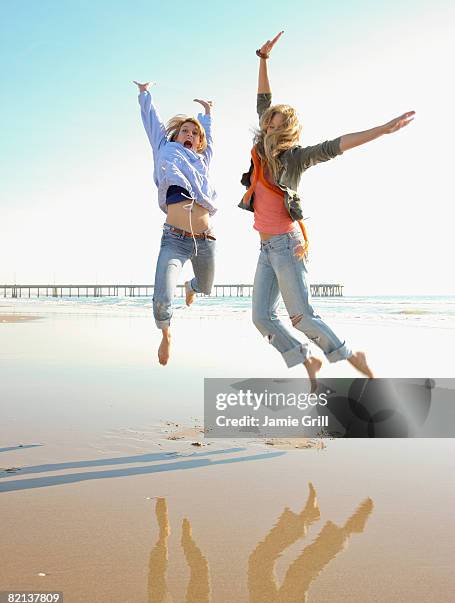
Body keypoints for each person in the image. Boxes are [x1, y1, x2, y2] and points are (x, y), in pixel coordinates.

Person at [239, 32, 415, 385]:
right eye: (268, 118)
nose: (268, 121)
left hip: (287, 246)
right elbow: (263, 98)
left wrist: (381, 129)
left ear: (285, 129)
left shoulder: (297, 157)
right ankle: (306, 359)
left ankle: (349, 354)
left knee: (302, 317)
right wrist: (263, 59)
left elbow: (336, 145)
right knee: (261, 317)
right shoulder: (260, 147)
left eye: (275, 121)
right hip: (265, 248)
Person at [134, 81, 216, 365]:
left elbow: (210, 139)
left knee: (206, 287)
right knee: (162, 297)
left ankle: (192, 287)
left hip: (206, 240)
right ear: (176, 135)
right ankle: (166, 334)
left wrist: (207, 113)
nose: (190, 135)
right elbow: (152, 124)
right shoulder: (165, 149)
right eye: (185, 131)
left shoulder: (203, 160)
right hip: (174, 240)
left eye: (195, 133)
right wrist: (145, 94)